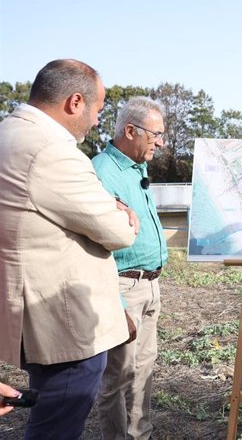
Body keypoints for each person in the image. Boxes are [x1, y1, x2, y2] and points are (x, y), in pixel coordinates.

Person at [0, 59, 138, 439]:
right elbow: (118, 232)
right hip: (65, 328)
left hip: (32, 314)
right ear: (75, 102)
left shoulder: (8, 134)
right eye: (97, 109)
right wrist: (122, 212)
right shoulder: (51, 151)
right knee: (57, 426)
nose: (97, 121)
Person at [93, 96, 169, 440]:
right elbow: (93, 248)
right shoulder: (101, 172)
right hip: (121, 287)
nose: (161, 143)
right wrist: (118, 304)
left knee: (143, 371)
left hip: (149, 285)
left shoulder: (138, 169)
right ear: (130, 131)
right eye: (156, 135)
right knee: (118, 377)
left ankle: (141, 434)